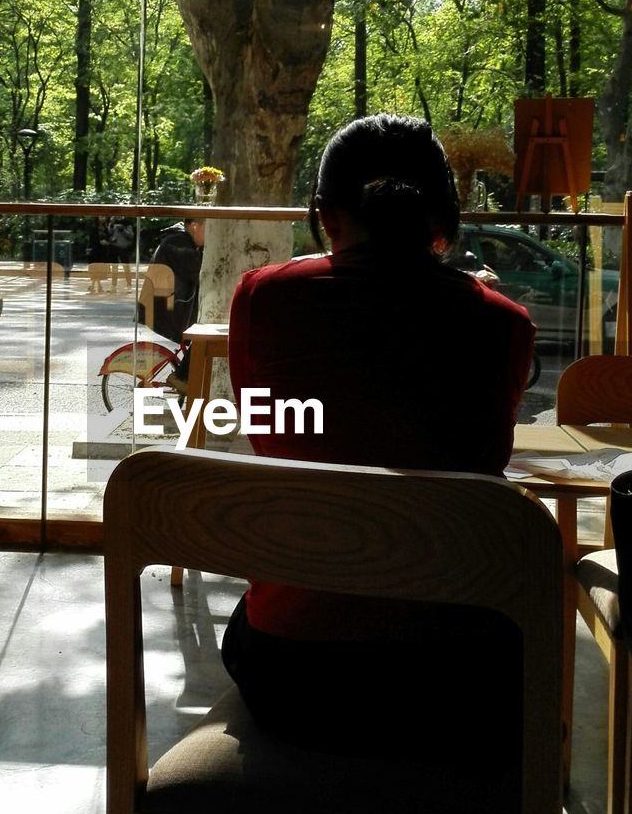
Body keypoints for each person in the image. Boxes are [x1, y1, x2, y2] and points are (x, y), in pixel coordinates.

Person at [221, 112, 536, 757]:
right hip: (454, 678)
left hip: (293, 673)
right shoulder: (502, 323)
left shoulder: (264, 301)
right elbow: (482, 457)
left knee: (248, 620)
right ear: (444, 221)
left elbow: (268, 433)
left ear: (326, 215)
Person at [148, 218, 206, 390]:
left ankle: (187, 377)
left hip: (175, 305)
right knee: (204, 337)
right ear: (195, 226)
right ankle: (180, 377)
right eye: (208, 229)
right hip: (170, 310)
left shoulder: (183, 241)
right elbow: (200, 273)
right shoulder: (178, 244)